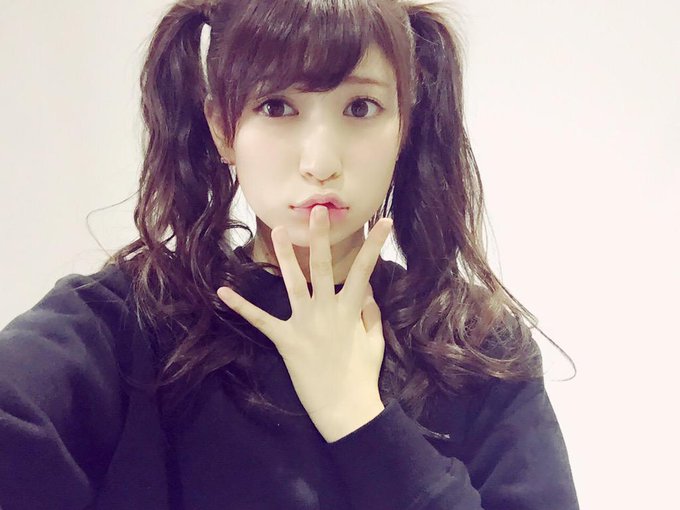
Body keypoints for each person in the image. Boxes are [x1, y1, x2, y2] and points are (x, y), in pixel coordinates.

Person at [0, 0, 580, 508]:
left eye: (361, 107)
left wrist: (359, 419)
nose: (320, 161)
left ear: (404, 125)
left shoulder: (475, 346)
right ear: (222, 129)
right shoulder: (127, 325)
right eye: (276, 107)